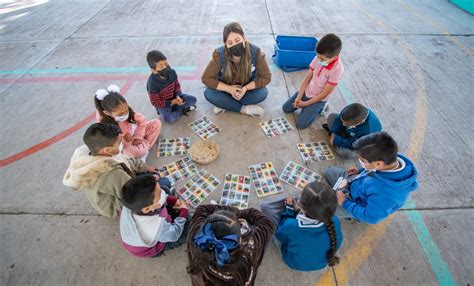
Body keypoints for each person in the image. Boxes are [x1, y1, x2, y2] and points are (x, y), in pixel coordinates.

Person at [63, 123, 161, 218]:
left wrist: (145, 167)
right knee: (161, 186)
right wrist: (151, 182)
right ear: (107, 150)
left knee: (152, 180)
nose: (122, 143)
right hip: (115, 207)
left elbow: (126, 160)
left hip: (119, 185)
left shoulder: (98, 152)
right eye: (119, 142)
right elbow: (133, 195)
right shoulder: (111, 173)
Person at [324, 132, 419, 224]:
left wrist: (345, 202)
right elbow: (374, 170)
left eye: (363, 161)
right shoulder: (390, 159)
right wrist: (360, 170)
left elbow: (371, 218)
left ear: (378, 163)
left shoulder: (388, 195)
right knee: (329, 172)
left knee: (323, 211)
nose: (361, 162)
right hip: (356, 184)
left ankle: (354, 216)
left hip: (356, 202)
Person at [260, 181, 343, 271]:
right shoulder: (335, 221)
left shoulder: (292, 226)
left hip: (294, 262)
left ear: (302, 209)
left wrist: (289, 210)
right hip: (320, 263)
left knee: (265, 207)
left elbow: (281, 235)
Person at [187, 205, 274, 285]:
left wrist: (228, 217)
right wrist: (237, 212)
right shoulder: (251, 248)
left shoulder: (197, 237)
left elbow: (202, 209)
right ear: (239, 239)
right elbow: (266, 223)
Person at [202, 22, 272, 116]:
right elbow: (206, 78)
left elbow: (266, 77)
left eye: (237, 40)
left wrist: (246, 88)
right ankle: (244, 109)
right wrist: (228, 89)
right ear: (225, 44)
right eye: (230, 43)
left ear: (244, 38)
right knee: (209, 93)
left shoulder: (256, 52)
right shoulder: (219, 54)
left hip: (245, 89)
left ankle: (225, 104)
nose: (234, 45)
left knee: (262, 93)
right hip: (225, 89)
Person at [282, 33, 344, 129]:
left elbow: (324, 94)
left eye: (322, 59)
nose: (318, 59)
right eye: (317, 56)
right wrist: (299, 97)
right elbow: (307, 79)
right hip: (308, 91)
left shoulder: (337, 69)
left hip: (318, 99)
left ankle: (321, 108)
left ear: (334, 57)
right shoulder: (319, 57)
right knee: (286, 108)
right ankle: (309, 108)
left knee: (300, 125)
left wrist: (305, 104)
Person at [120, 174, 189, 257]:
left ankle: (166, 207)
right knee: (190, 226)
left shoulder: (131, 204)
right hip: (150, 248)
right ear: (147, 209)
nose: (162, 194)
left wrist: (171, 200)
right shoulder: (154, 227)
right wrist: (183, 212)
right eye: (160, 195)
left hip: (152, 218)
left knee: (165, 186)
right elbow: (174, 235)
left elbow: (161, 195)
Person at [95, 84, 161, 161]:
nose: (125, 114)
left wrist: (138, 137)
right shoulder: (105, 124)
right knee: (131, 152)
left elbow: (142, 121)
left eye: (126, 110)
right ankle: (144, 149)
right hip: (125, 145)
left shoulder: (128, 112)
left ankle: (145, 148)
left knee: (156, 123)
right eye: (120, 114)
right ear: (108, 113)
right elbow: (112, 144)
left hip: (135, 135)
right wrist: (122, 137)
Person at [146, 50, 197, 123]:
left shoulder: (172, 72)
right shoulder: (152, 83)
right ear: (153, 70)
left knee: (193, 100)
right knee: (168, 118)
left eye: (166, 63)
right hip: (163, 104)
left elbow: (177, 86)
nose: (165, 67)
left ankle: (175, 109)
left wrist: (178, 96)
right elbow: (155, 102)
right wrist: (171, 102)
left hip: (175, 98)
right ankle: (181, 110)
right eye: (161, 66)